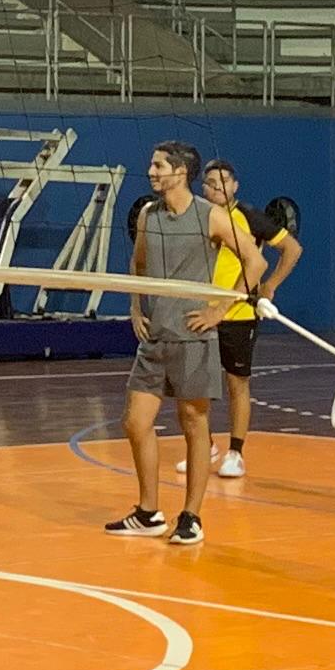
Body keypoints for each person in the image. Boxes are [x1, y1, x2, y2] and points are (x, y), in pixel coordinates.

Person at [105, 141, 258, 548]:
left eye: (158, 166)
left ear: (180, 172)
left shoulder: (211, 217)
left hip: (194, 337)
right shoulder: (148, 216)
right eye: (152, 165)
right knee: (135, 422)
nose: (151, 172)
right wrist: (136, 307)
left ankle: (191, 516)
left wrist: (220, 311)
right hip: (155, 338)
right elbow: (138, 265)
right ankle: (148, 512)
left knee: (193, 424)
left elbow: (255, 263)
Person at [201, 164, 305, 478]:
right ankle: (203, 447)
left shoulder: (249, 217)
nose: (216, 187)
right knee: (194, 385)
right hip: (201, 312)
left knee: (236, 384)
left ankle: (235, 452)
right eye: (209, 182)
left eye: (223, 181)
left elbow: (292, 248)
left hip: (238, 314)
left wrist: (271, 285)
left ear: (235, 185)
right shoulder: (197, 215)